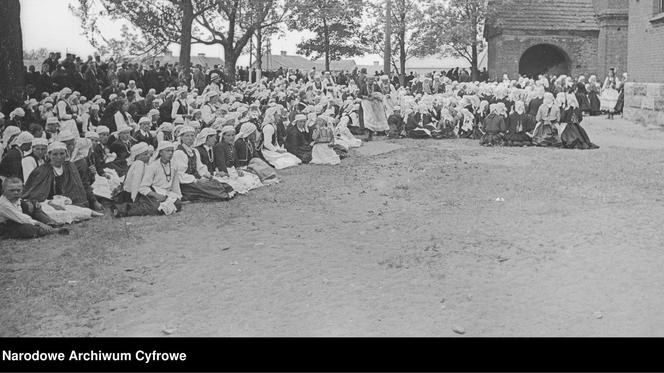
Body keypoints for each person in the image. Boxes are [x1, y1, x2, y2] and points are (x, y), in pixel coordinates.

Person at [173, 126, 234, 202]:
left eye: (192, 136)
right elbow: (180, 174)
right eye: (187, 136)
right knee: (209, 187)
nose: (190, 138)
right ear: (181, 138)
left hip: (196, 180)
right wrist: (196, 180)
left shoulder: (194, 151)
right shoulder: (179, 153)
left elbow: (200, 167)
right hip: (186, 183)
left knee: (216, 183)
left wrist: (207, 175)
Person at [0, 177, 68, 239]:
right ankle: (52, 231)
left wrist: (31, 203)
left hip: (18, 218)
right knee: (27, 228)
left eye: (19, 190)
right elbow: (21, 218)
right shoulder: (3, 204)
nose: (16, 193)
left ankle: (50, 222)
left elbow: (21, 203)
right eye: (12, 190)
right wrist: (39, 223)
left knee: (33, 203)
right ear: (4, 190)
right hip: (7, 225)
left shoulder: (14, 198)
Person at [133, 141, 183, 216]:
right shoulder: (153, 166)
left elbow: (175, 184)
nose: (170, 153)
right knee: (156, 208)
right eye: (167, 151)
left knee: (178, 204)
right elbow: (143, 187)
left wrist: (179, 197)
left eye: (172, 151)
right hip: (153, 192)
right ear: (160, 153)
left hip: (166, 194)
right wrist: (156, 195)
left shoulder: (174, 165)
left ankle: (162, 208)